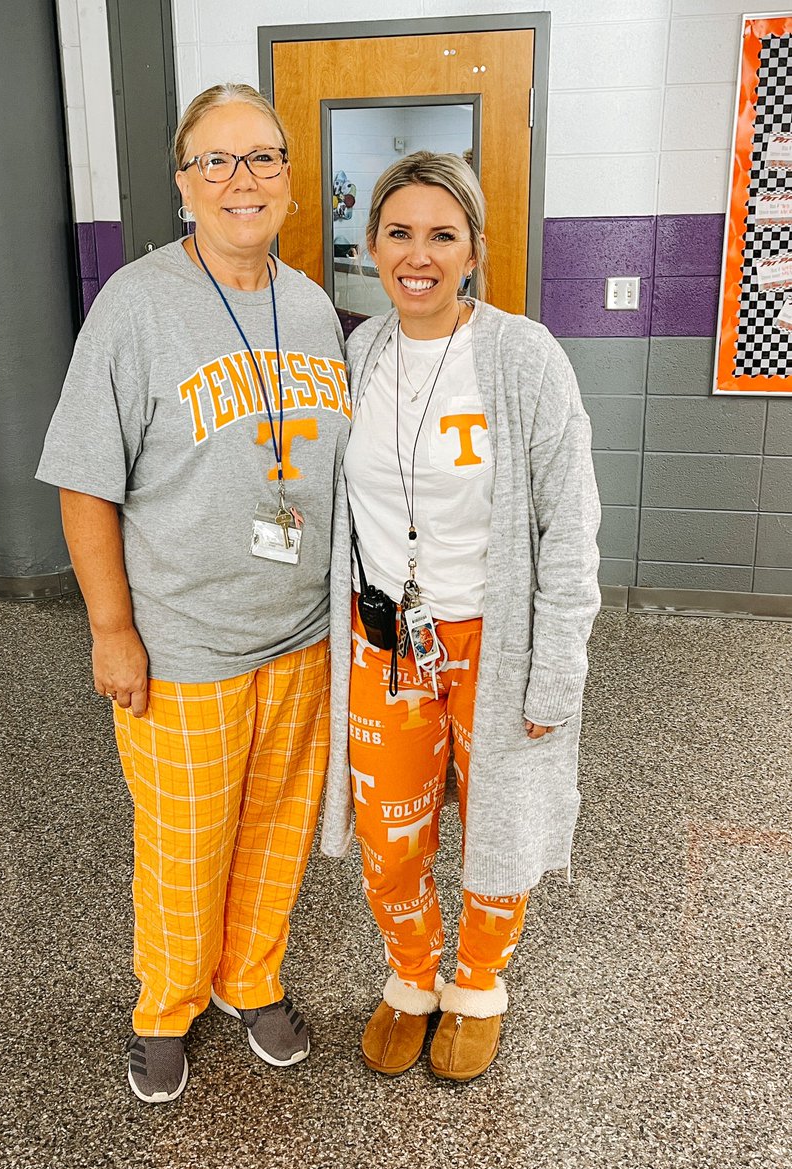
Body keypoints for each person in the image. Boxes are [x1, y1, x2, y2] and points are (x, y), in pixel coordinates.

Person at [36, 83, 351, 1103]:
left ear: (291, 179)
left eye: (261, 158)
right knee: (185, 844)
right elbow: (86, 476)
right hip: (184, 641)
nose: (240, 180)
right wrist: (112, 628)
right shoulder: (136, 302)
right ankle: (164, 1005)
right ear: (184, 184)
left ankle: (250, 980)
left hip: (301, 637)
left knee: (274, 832)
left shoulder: (310, 304)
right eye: (215, 162)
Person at [320, 151, 601, 1082]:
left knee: (498, 823)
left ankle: (478, 982)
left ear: (474, 249)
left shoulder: (523, 357)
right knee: (390, 834)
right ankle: (410, 978)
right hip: (386, 642)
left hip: (494, 639)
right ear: (372, 247)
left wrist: (556, 667)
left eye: (443, 235)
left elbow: (570, 527)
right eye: (399, 233)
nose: (419, 255)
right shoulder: (359, 354)